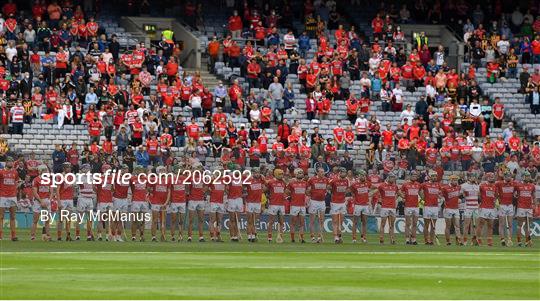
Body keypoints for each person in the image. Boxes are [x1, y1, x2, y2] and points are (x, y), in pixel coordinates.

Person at [420, 171, 442, 245]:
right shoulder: (425, 184)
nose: (434, 177)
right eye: (433, 176)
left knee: (433, 225)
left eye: (435, 176)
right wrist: (422, 197)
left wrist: (439, 196)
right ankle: (426, 240)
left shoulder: (438, 185)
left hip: (435, 207)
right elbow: (418, 189)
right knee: (426, 224)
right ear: (429, 177)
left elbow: (439, 193)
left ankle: (432, 240)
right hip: (427, 206)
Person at [328, 168, 349, 244]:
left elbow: (346, 189)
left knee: (341, 221)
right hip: (334, 202)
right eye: (343, 172)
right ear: (339, 173)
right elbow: (328, 187)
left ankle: (339, 235)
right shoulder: (333, 180)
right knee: (335, 221)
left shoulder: (346, 180)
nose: (344, 174)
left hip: (342, 202)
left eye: (345, 172)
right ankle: (335, 237)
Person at [286, 168, 308, 243]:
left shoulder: (305, 183)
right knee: (293, 223)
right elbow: (286, 191)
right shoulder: (291, 183)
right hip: (294, 205)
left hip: (302, 205)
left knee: (302, 223)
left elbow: (307, 192)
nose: (301, 174)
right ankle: (292, 238)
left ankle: (301, 238)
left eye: (302, 173)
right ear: (296, 174)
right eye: (299, 173)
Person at [149, 166, 170, 242]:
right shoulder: (154, 179)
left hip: (164, 203)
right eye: (161, 170)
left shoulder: (167, 180)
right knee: (154, 220)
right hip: (155, 202)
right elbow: (148, 189)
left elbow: (169, 192)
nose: (163, 171)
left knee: (163, 221)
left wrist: (166, 202)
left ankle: (163, 236)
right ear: (158, 171)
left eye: (164, 170)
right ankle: (153, 237)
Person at [514, 171, 535, 247]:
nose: (528, 177)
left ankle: (527, 241)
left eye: (529, 176)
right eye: (527, 176)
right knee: (519, 225)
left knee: (528, 225)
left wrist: (534, 205)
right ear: (523, 177)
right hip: (521, 207)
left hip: (529, 208)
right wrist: (515, 196)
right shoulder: (518, 185)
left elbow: (534, 196)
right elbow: (514, 192)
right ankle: (519, 242)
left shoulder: (532, 186)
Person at [307, 167, 328, 243]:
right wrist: (309, 197)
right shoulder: (312, 179)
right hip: (313, 201)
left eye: (323, 172)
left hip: (322, 202)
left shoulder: (326, 179)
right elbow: (307, 190)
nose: (323, 173)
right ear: (317, 172)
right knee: (312, 220)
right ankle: (312, 237)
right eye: (321, 172)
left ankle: (319, 236)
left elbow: (327, 188)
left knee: (321, 220)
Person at [400, 171, 421, 245]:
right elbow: (400, 191)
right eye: (413, 175)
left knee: (415, 223)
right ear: (410, 176)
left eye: (416, 175)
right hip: (408, 206)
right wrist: (403, 198)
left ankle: (414, 239)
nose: (414, 177)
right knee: (408, 223)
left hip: (416, 206)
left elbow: (421, 194)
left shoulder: (418, 184)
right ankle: (407, 239)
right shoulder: (405, 184)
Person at [476, 173, 497, 246]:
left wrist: (494, 202)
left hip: (492, 208)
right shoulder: (482, 185)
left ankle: (489, 241)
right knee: (480, 224)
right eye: (490, 177)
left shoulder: (495, 186)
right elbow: (478, 195)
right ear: (487, 178)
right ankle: (478, 240)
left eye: (493, 177)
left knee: (490, 225)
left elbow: (496, 196)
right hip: (484, 207)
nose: (492, 178)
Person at [377, 172, 398, 244]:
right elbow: (377, 192)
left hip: (392, 207)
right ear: (388, 178)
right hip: (385, 207)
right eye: (391, 177)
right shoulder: (382, 186)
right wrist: (379, 199)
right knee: (383, 223)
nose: (393, 179)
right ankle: (381, 238)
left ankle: (392, 239)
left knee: (392, 224)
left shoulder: (395, 186)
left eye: (393, 177)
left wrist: (396, 199)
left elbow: (397, 193)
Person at [350, 170, 371, 243]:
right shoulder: (354, 184)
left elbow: (375, 188)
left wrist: (370, 194)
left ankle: (364, 237)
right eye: (362, 175)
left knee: (364, 222)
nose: (363, 177)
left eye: (364, 175)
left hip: (365, 205)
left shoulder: (368, 183)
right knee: (355, 222)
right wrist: (355, 197)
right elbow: (351, 191)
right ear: (359, 176)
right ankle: (354, 238)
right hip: (358, 205)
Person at [130, 166, 150, 242]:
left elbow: (147, 189)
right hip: (135, 201)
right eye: (137, 170)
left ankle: (142, 235)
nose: (139, 171)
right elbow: (132, 188)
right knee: (135, 219)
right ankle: (133, 236)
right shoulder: (132, 179)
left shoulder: (146, 179)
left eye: (140, 170)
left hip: (144, 201)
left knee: (143, 220)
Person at [496, 171, 516, 246]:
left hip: (510, 205)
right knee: (502, 224)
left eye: (509, 176)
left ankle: (509, 239)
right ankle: (502, 239)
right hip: (502, 205)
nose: (508, 177)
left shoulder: (514, 183)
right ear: (504, 177)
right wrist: (497, 198)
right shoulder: (499, 183)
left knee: (510, 223)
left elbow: (518, 190)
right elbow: (492, 186)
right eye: (507, 176)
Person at [442, 174, 462, 245]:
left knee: (457, 225)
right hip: (448, 208)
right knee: (448, 226)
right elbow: (442, 197)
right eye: (454, 180)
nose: (455, 181)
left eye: (456, 180)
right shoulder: (445, 188)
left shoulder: (458, 187)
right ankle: (448, 241)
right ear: (450, 180)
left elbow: (458, 196)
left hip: (456, 208)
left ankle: (458, 240)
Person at [77, 164, 95, 241]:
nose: (88, 169)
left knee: (90, 218)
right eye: (86, 168)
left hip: (90, 198)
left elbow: (93, 186)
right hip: (82, 198)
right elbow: (78, 185)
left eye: (88, 168)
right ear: (83, 169)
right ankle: (77, 236)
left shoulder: (91, 177)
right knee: (80, 218)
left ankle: (89, 236)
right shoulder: (79, 177)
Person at [245, 168, 264, 242]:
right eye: (256, 173)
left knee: (254, 220)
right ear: (252, 173)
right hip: (250, 202)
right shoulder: (248, 180)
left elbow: (265, 184)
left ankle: (253, 235)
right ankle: (249, 235)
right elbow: (243, 187)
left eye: (258, 172)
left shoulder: (261, 179)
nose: (257, 174)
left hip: (258, 202)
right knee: (249, 220)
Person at [461, 173, 480, 245]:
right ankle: (465, 241)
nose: (474, 178)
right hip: (468, 208)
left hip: (476, 208)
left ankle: (473, 240)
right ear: (469, 178)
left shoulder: (477, 186)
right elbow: (460, 195)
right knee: (466, 225)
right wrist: (463, 195)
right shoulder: (464, 186)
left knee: (475, 225)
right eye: (472, 177)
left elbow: (478, 196)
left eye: (474, 177)